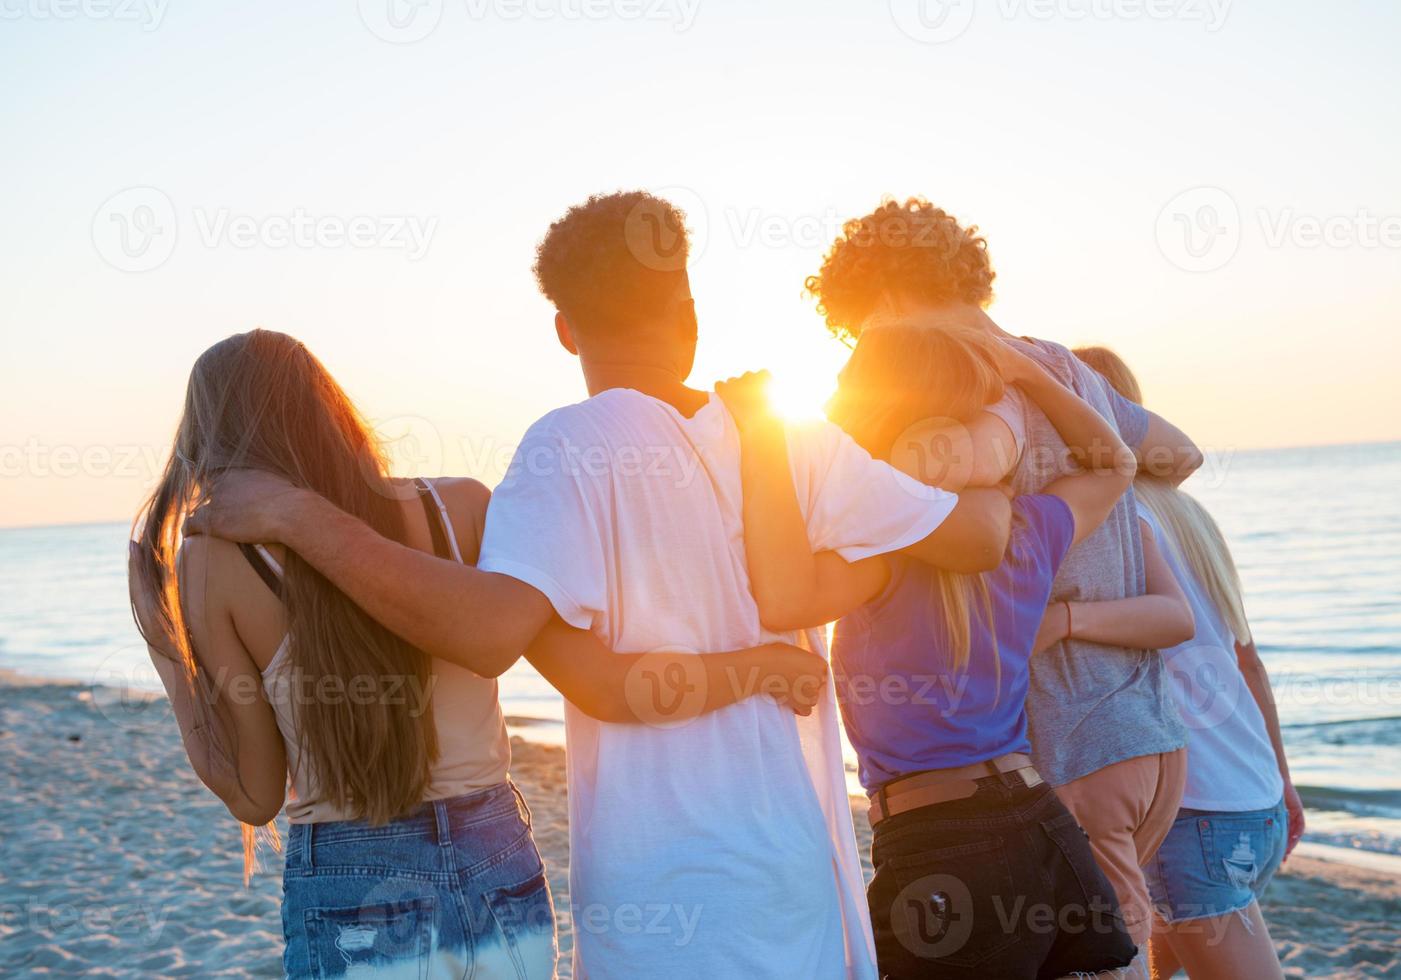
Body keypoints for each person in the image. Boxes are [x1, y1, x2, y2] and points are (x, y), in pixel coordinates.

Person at [180, 192, 1014, 978]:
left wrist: (296, 520)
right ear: (689, 311)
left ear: (563, 330)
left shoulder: (560, 452)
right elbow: (980, 535)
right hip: (794, 867)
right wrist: (856, 573)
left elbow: (538, 657)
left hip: (658, 884)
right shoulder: (791, 435)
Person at [130, 329, 828, 978]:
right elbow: (598, 680)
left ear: (209, 438)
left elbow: (253, 793)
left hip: (351, 874)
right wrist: (757, 666)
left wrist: (165, 646)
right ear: (329, 413)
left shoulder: (214, 562)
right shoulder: (461, 508)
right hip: (494, 852)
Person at [716, 325, 1194, 977]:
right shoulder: (1027, 530)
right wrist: (1025, 377)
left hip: (943, 844)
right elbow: (1113, 464)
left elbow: (783, 597)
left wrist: (762, 438)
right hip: (1039, 828)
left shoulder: (881, 552)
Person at [806, 198, 1205, 968]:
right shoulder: (1067, 368)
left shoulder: (962, 388)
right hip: (1147, 734)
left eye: (861, 330)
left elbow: (922, 480)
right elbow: (1179, 457)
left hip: (1060, 741)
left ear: (883, 304)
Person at [1062, 345, 1303, 980]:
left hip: (1190, 813)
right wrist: (1283, 778)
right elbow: (1246, 662)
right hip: (1256, 800)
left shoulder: (1110, 521)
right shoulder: (1190, 515)